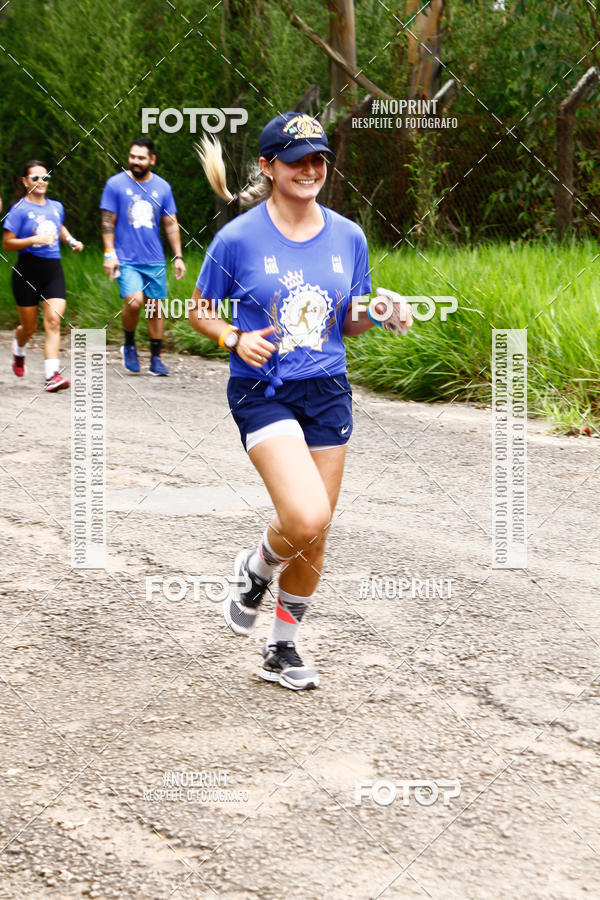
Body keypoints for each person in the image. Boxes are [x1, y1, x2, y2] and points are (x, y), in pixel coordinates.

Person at [188, 112, 413, 690]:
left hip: (328, 389)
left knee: (317, 530)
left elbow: (347, 320)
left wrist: (378, 307)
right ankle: (257, 565)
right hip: (262, 391)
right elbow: (199, 310)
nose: (311, 169)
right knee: (305, 514)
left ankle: (282, 647)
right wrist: (234, 337)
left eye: (319, 159)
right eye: (297, 160)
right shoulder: (236, 238)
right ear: (268, 167)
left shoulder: (349, 235)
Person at [100, 138, 186, 376]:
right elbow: (107, 221)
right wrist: (110, 254)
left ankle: (156, 358)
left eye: (141, 158)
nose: (135, 162)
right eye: (132, 157)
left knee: (155, 308)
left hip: (155, 259)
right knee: (134, 301)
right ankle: (129, 343)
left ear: (152, 159)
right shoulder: (115, 184)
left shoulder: (163, 188)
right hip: (125, 259)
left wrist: (178, 256)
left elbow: (170, 224)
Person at [3, 160, 83, 392]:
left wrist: (71, 240)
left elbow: (59, 227)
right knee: (28, 328)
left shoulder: (56, 206)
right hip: (26, 271)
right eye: (35, 178)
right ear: (25, 181)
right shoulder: (18, 209)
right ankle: (19, 350)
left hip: (52, 271)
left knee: (53, 321)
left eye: (45, 177)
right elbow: (7, 244)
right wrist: (33, 240)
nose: (41, 182)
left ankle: (52, 375)